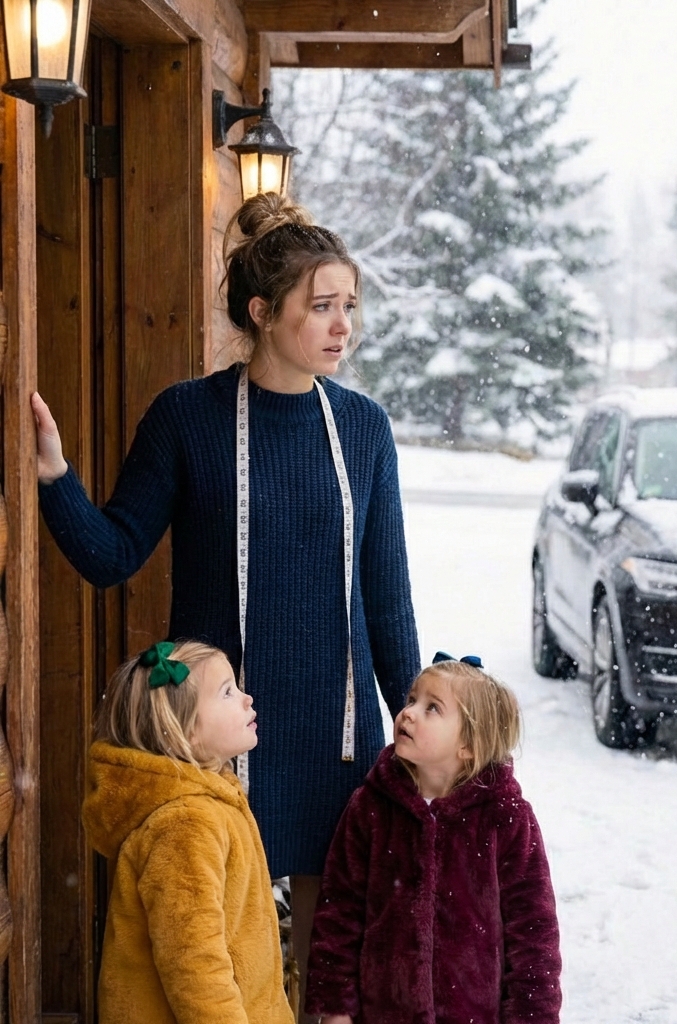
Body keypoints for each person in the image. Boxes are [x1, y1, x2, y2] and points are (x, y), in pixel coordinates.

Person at [32, 192, 421, 1014]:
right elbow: (111, 555)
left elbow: (387, 599)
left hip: (337, 733)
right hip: (217, 734)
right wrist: (54, 477)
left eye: (349, 306)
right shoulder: (187, 418)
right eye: (322, 307)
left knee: (332, 969)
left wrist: (416, 723)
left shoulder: (364, 429)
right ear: (262, 312)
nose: (343, 327)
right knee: (213, 956)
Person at [305, 655, 562, 1024]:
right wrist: (335, 1008)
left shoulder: (505, 817)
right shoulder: (372, 806)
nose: (409, 713)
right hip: (383, 1013)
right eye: (412, 700)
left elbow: (534, 930)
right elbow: (339, 911)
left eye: (432, 708)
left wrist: (531, 1015)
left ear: (468, 745)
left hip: (473, 1013)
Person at [83, 639, 293, 1024]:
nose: (247, 699)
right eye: (227, 692)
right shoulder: (186, 824)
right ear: (184, 731)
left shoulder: (211, 802)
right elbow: (194, 964)